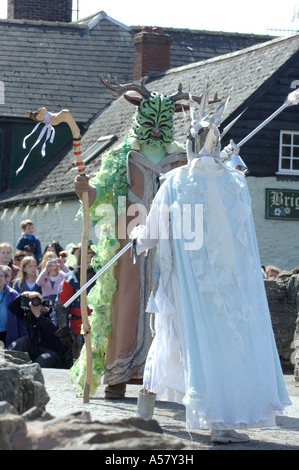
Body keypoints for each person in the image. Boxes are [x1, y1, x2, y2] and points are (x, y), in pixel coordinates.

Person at [130, 90, 291, 444]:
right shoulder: (234, 182)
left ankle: (190, 415)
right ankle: (201, 418)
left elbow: (155, 231)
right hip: (225, 285)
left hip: (195, 284)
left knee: (178, 340)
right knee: (210, 344)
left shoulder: (177, 182)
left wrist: (138, 237)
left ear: (189, 143)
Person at [71, 78, 192, 397]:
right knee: (126, 302)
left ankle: (155, 377)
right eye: (150, 121)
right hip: (130, 244)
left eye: (162, 122)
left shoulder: (182, 159)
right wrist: (88, 190)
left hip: (169, 246)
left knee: (168, 306)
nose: (155, 129)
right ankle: (118, 376)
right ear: (141, 118)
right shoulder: (124, 154)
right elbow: (103, 192)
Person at [7, 291, 72, 368]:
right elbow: (12, 308)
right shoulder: (30, 313)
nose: (35, 306)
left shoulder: (53, 312)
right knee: (22, 342)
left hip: (53, 351)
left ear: (42, 303)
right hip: (36, 348)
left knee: (40, 363)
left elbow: (54, 330)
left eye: (36, 302)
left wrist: (38, 316)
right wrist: (23, 295)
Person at [55, 245, 95, 361]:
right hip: (77, 324)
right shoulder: (70, 278)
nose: (89, 256)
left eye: (91, 254)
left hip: (97, 321)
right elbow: (62, 306)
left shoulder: (100, 276)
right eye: (86, 254)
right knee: (79, 358)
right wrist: (64, 330)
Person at [0, 265, 19, 347]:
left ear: (5, 279)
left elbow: (20, 319)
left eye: (0, 276)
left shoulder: (13, 295)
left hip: (7, 334)